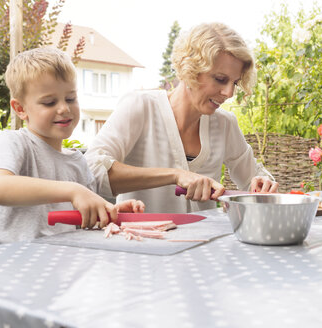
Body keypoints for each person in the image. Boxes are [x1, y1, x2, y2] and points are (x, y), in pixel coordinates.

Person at [85, 22, 278, 214]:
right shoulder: (140, 107)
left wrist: (263, 184)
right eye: (220, 79)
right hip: (142, 241)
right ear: (190, 69)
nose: (229, 93)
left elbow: (253, 179)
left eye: (235, 83)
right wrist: (176, 175)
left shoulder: (224, 124)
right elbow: (92, 172)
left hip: (205, 243)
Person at [0, 47, 144, 246]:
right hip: (4, 260)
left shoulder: (77, 162)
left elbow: (84, 221)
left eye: (70, 99)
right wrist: (74, 190)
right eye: (49, 102)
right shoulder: (15, 142)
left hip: (57, 262)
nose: (64, 108)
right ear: (20, 109)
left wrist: (108, 212)